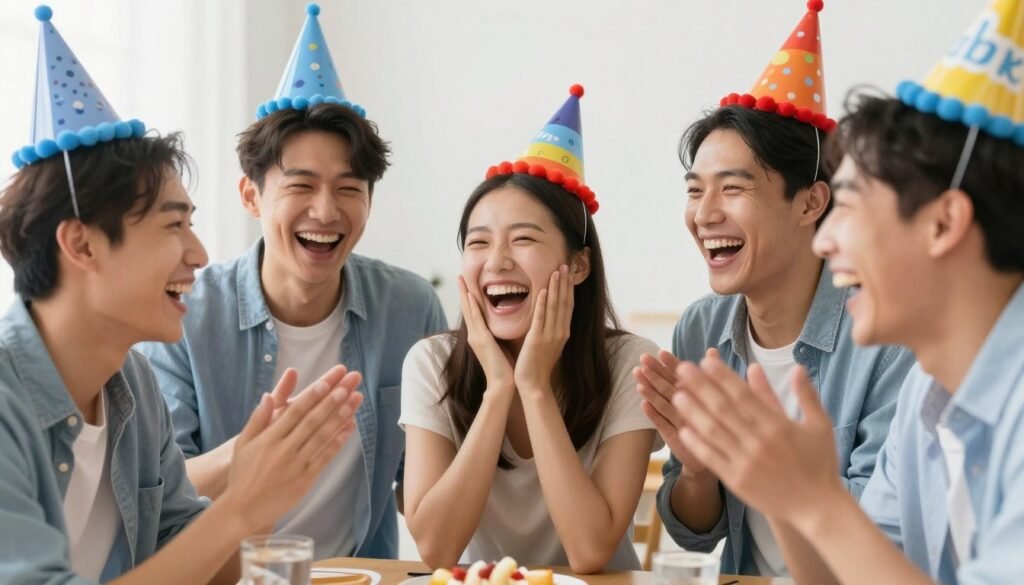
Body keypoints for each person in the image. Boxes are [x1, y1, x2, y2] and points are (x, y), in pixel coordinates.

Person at [660, 2, 1024, 583]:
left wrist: (813, 499)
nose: (825, 242)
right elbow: (846, 575)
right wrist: (789, 492)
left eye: (848, 205)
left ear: (943, 223)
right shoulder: (928, 393)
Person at [0, 6, 361, 583]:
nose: (198, 254)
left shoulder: (131, 387)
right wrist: (244, 503)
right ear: (82, 245)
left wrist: (261, 502)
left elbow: (195, 563)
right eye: (174, 226)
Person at [136, 2, 447, 561]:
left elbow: (425, 489)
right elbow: (159, 494)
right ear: (252, 195)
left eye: (349, 188)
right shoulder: (185, 312)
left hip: (361, 575)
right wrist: (257, 452)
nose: (326, 211)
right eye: (301, 186)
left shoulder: (409, 307)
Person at [636, 1, 913, 576]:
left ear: (811, 202)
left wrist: (787, 475)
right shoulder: (702, 328)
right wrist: (697, 469)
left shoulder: (886, 334)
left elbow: (883, 537)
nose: (705, 214)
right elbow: (694, 533)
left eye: (732, 189)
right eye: (694, 191)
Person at [401, 86, 659, 574]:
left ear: (578, 265)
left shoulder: (629, 364)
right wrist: (499, 389)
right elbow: (435, 550)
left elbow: (589, 551)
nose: (496, 260)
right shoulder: (431, 362)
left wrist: (534, 387)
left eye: (523, 239)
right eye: (478, 243)